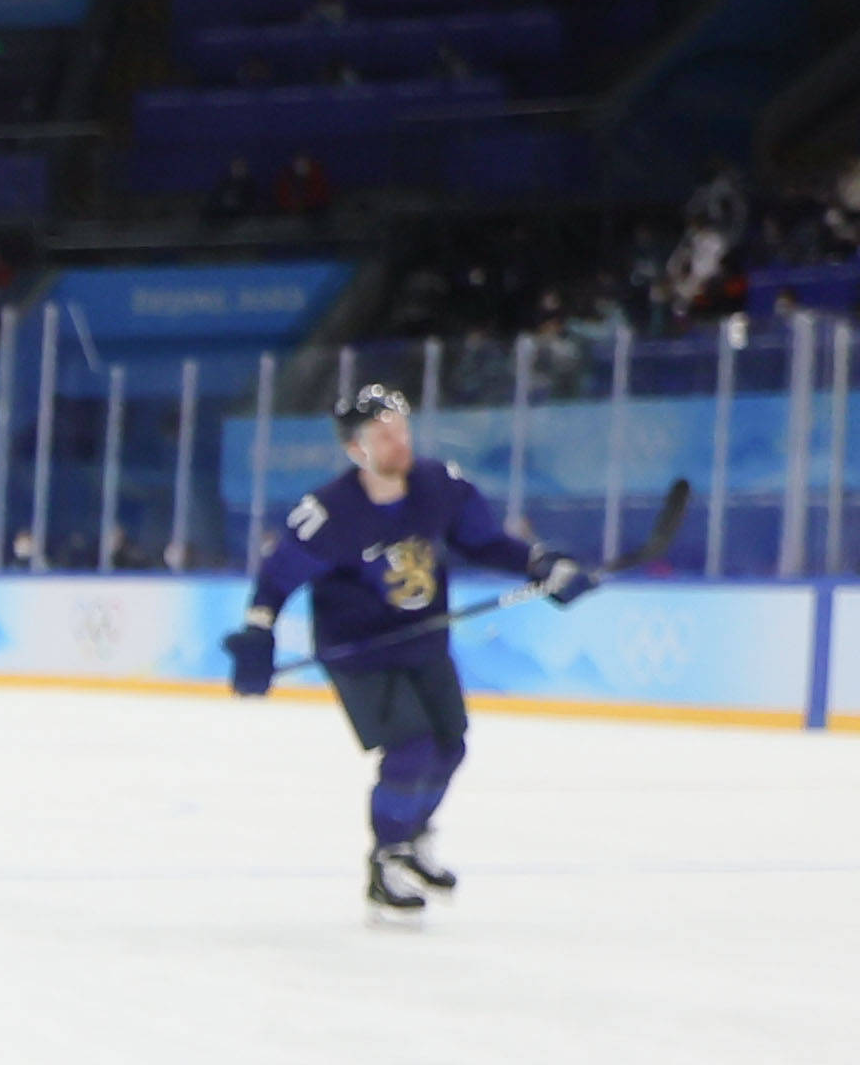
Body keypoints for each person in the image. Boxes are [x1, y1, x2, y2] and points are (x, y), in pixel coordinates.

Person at [228, 385, 594, 918]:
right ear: (357, 450)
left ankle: (412, 837)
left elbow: (484, 540)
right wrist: (258, 635)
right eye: (384, 435)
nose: (400, 442)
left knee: (450, 747)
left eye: (402, 429)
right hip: (359, 653)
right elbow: (276, 581)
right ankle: (386, 860)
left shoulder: (438, 486)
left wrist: (540, 563)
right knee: (411, 750)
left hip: (424, 641)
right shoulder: (328, 515)